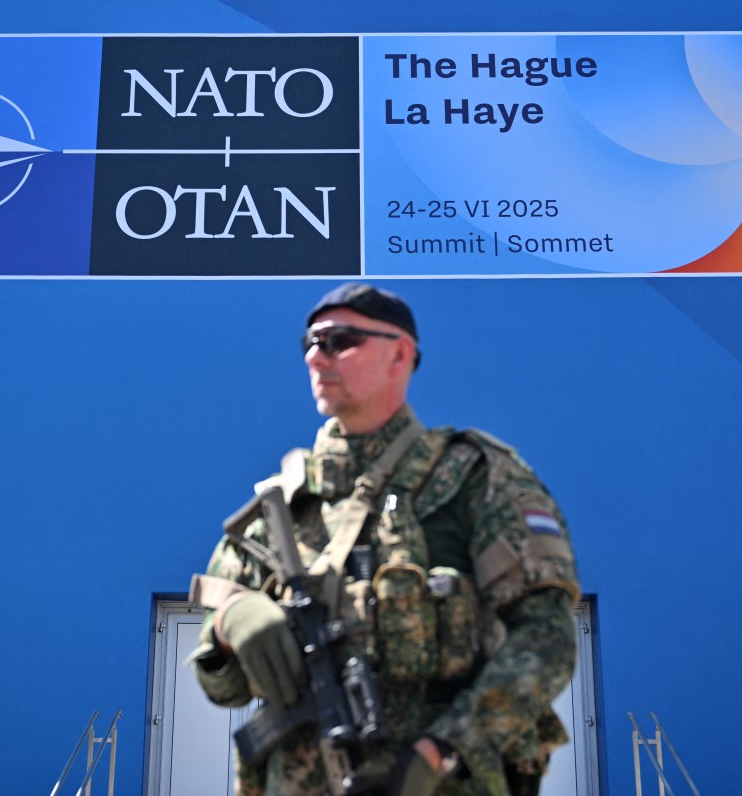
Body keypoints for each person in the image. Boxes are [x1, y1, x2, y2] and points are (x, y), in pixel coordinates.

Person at [189, 283, 580, 796]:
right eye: (310, 341)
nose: (315, 355)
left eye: (340, 340)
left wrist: (445, 749)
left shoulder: (472, 479)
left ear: (400, 354)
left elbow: (546, 638)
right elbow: (222, 687)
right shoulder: (279, 509)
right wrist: (228, 626)